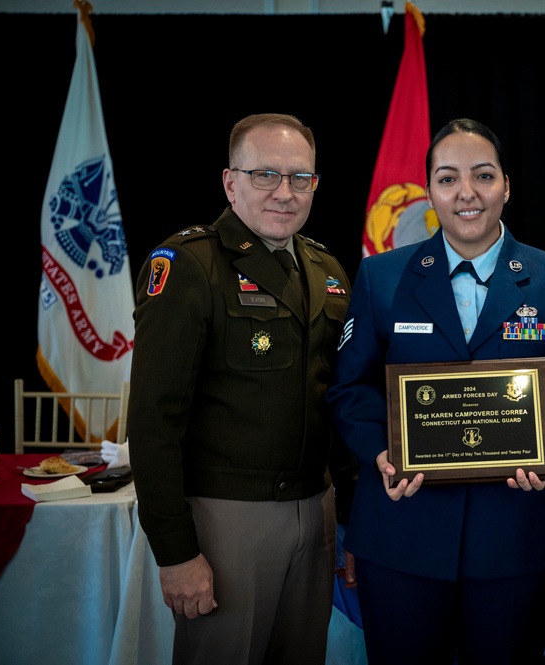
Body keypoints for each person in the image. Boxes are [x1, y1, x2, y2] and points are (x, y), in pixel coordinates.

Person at [326, 118, 545, 664]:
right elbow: (350, 387)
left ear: (506, 186)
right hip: (403, 534)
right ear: (429, 191)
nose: (467, 193)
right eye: (448, 179)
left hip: (514, 536)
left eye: (483, 175)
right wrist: (382, 452)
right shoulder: (382, 278)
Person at [127, 113, 354, 665]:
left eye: (301, 178)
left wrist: (351, 519)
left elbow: (341, 404)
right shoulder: (189, 265)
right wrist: (176, 552)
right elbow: (153, 421)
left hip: (316, 514)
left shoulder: (328, 269)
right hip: (226, 523)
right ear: (230, 182)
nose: (285, 192)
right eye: (265, 175)